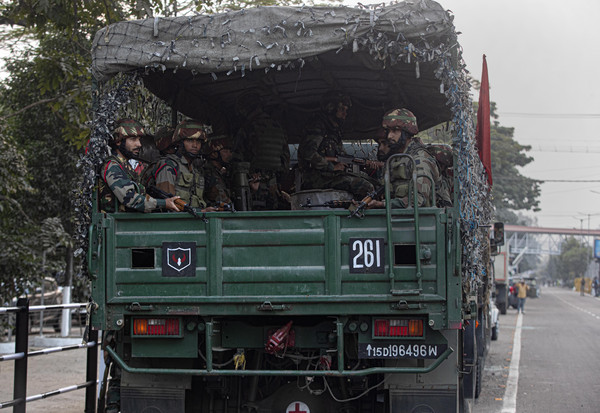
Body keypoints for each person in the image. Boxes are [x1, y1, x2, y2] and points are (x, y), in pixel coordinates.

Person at [298, 91, 377, 200]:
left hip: (329, 176)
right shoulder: (317, 125)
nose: (345, 113)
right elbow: (308, 153)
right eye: (342, 109)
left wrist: (363, 163)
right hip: (316, 178)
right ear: (331, 108)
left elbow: (341, 155)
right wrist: (332, 167)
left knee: (374, 183)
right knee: (366, 187)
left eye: (346, 110)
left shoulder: (334, 130)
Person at [99, 118, 180, 213]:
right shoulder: (112, 166)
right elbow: (130, 199)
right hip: (117, 224)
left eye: (139, 139)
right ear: (118, 141)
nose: (139, 144)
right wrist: (163, 203)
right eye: (133, 139)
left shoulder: (125, 166)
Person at [367, 108, 442, 209]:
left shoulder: (419, 158)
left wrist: (383, 204)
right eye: (388, 131)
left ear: (407, 133)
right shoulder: (395, 159)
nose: (389, 136)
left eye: (395, 131)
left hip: (422, 222)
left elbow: (419, 199)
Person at [233, 90, 290, 209]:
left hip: (254, 183)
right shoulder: (278, 127)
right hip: (273, 184)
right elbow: (285, 158)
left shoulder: (248, 127)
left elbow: (238, 160)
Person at [155, 119, 213, 210]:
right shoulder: (169, 166)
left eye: (198, 141)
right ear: (180, 142)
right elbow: (168, 206)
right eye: (190, 140)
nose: (195, 145)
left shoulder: (196, 169)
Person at [204, 135, 233, 207]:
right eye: (225, 151)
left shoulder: (218, 173)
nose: (229, 155)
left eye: (230, 151)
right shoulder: (208, 173)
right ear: (214, 154)